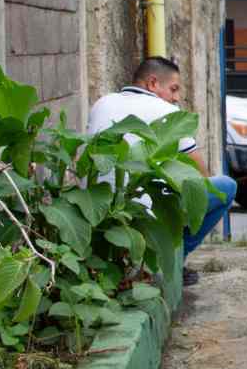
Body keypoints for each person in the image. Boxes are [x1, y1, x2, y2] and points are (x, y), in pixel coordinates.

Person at [86, 56, 237, 286]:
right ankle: (176, 259)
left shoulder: (102, 102)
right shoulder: (167, 111)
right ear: (152, 83)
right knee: (226, 187)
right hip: (142, 211)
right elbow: (199, 175)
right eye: (174, 89)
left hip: (97, 208)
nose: (176, 97)